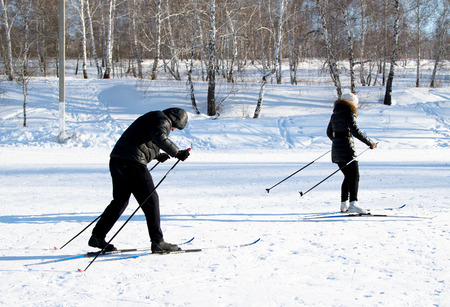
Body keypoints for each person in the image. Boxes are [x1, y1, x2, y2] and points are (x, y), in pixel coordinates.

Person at [88, 108, 191, 252]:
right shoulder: (163, 119)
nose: (173, 130)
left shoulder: (153, 116)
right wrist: (177, 152)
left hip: (117, 160)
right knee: (151, 200)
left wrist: (157, 155)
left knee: (120, 201)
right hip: (132, 164)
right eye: (175, 127)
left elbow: (142, 139)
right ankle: (157, 242)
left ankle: (97, 236)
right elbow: (159, 137)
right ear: (174, 119)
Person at [326, 93, 377, 214]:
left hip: (336, 150)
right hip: (348, 148)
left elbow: (329, 132)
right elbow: (355, 130)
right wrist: (370, 143)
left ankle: (344, 204)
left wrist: (337, 141)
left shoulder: (335, 114)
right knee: (354, 175)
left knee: (347, 176)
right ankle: (354, 203)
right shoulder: (349, 112)